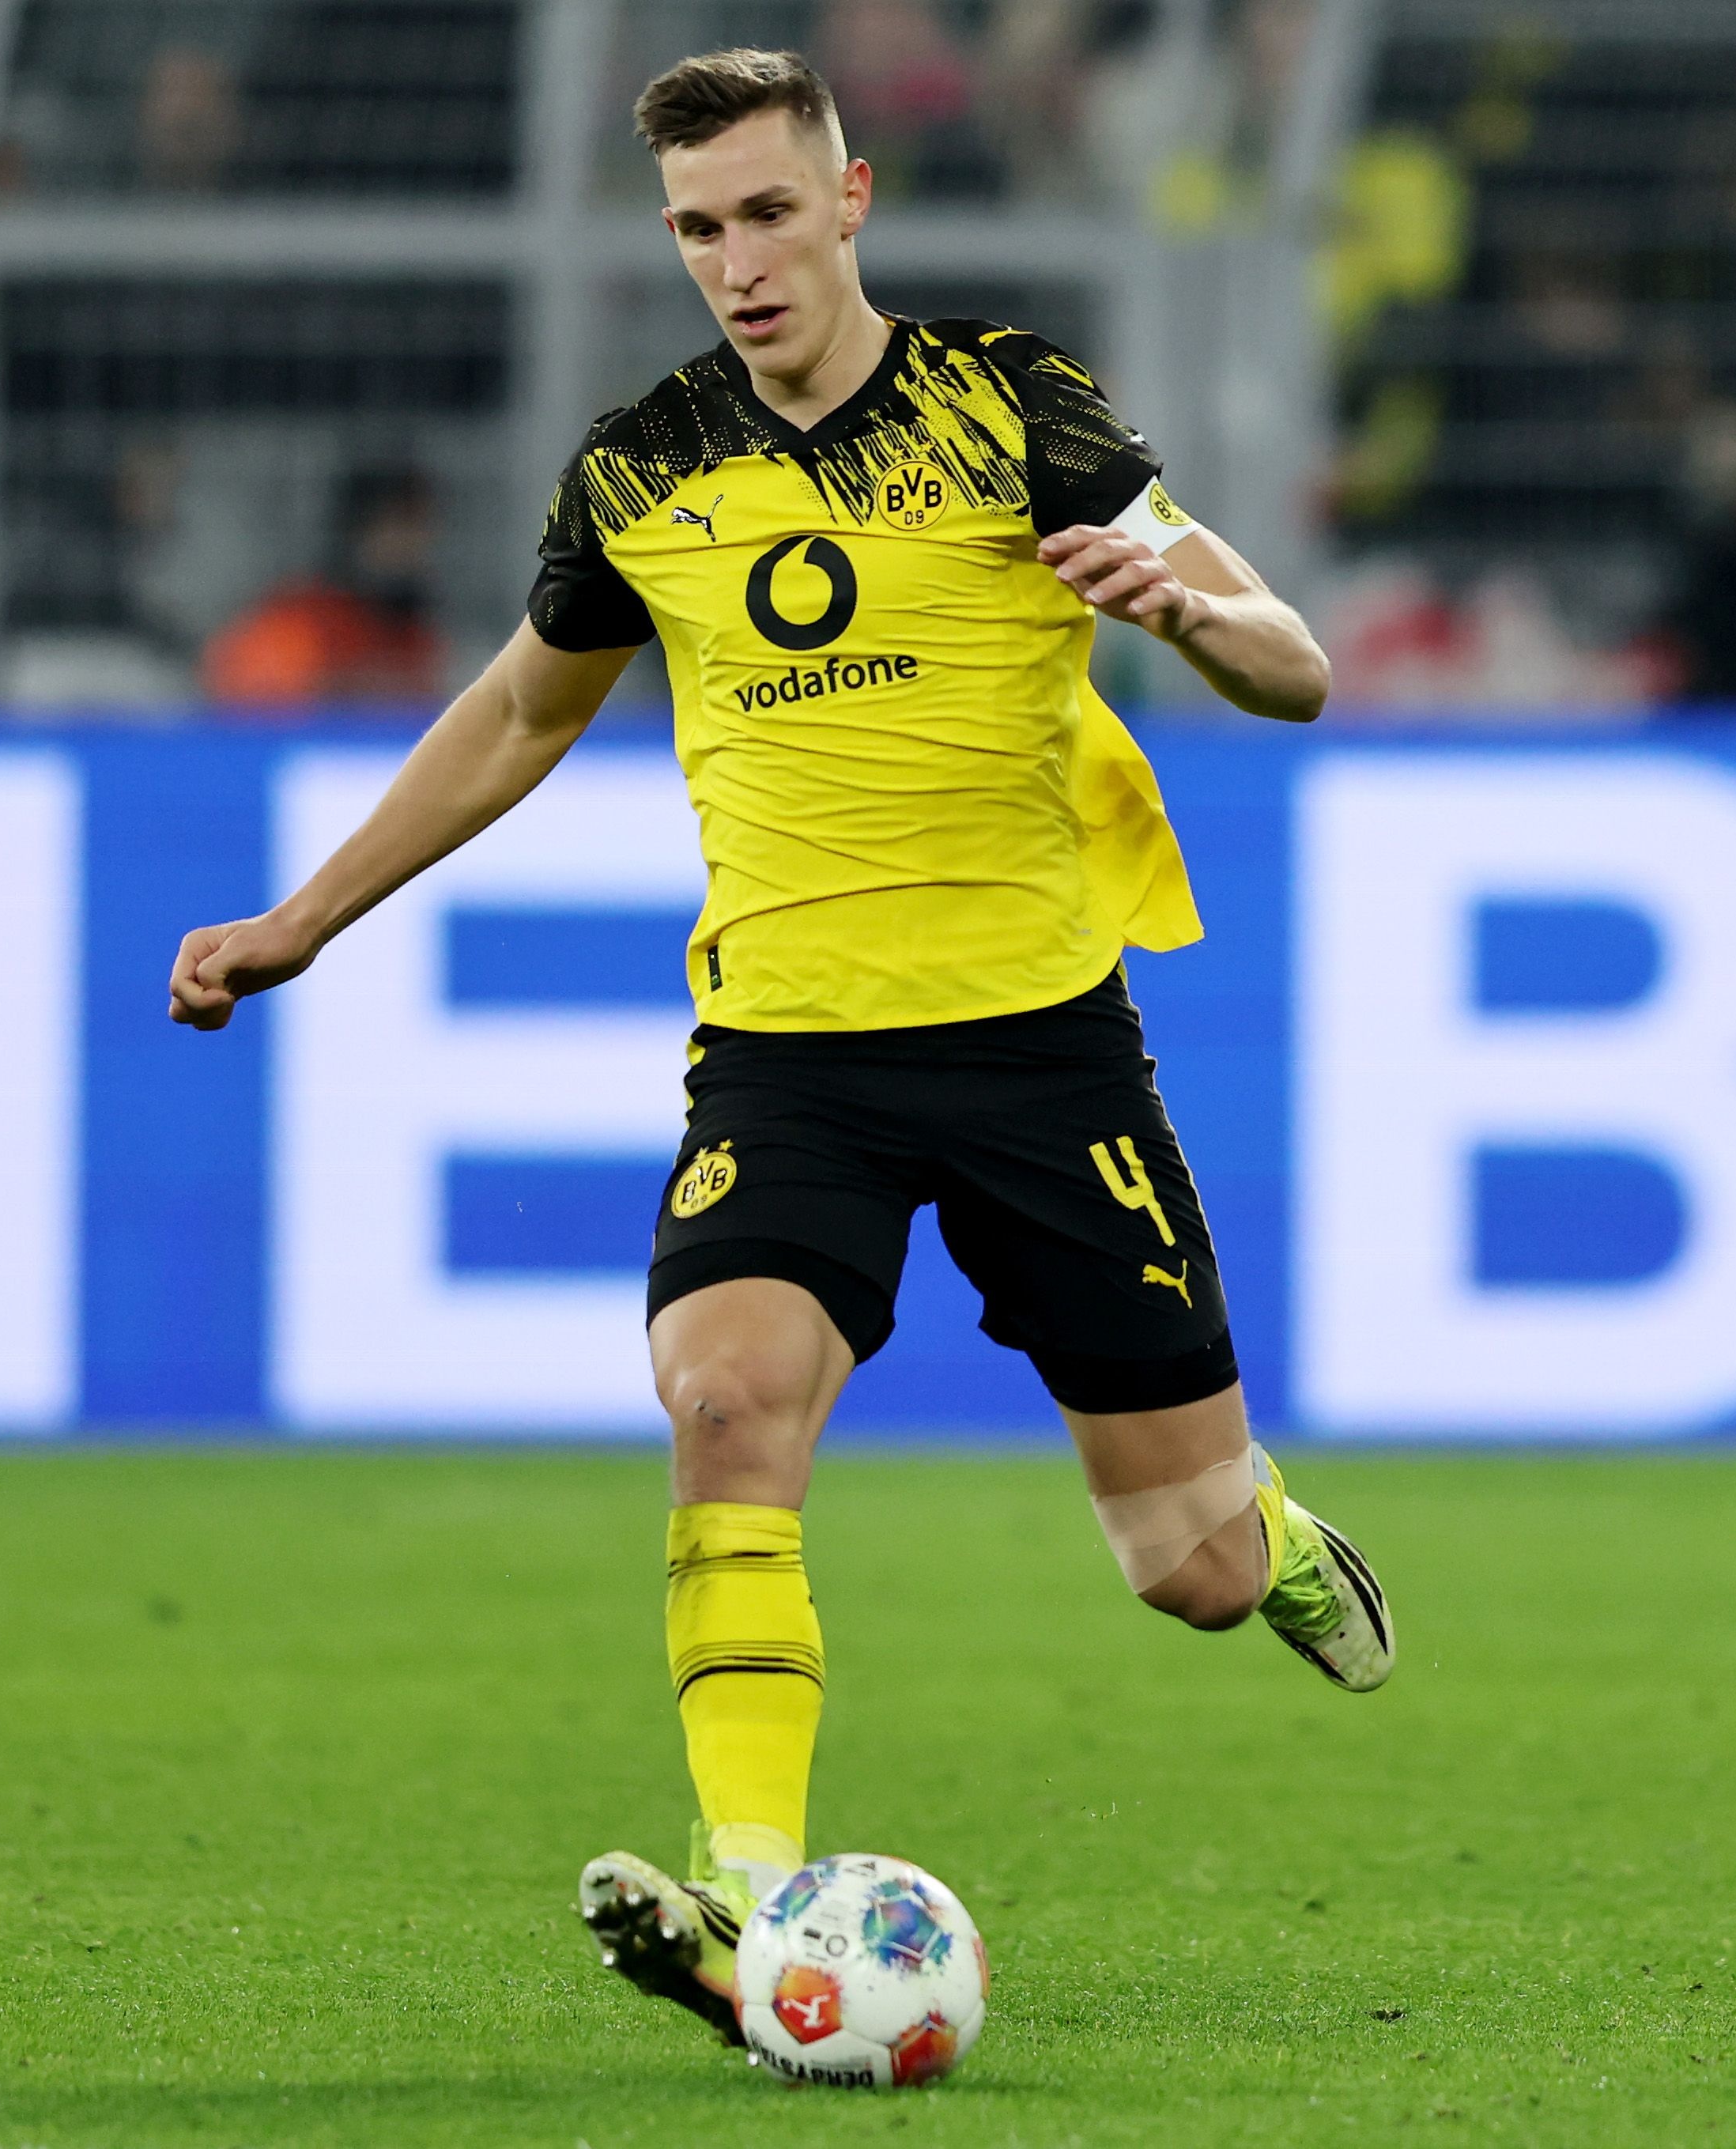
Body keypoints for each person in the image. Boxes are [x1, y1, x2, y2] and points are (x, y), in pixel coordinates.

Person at [165, 47, 1390, 2047]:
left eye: (763, 211)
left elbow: (1297, 664)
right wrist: (300, 921)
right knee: (724, 1408)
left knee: (1179, 1561)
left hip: (1037, 1054)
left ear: (849, 200)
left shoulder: (1016, 405)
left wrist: (1171, 604)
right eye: (695, 227)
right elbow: (510, 720)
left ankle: (1273, 1535)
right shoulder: (640, 470)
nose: (735, 260)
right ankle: (755, 1917)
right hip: (788, 1056)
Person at [198, 465, 445, 707]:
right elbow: (253, 716)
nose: (417, 543)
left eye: (424, 526)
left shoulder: (415, 634)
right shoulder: (297, 623)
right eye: (400, 525)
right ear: (357, 530)